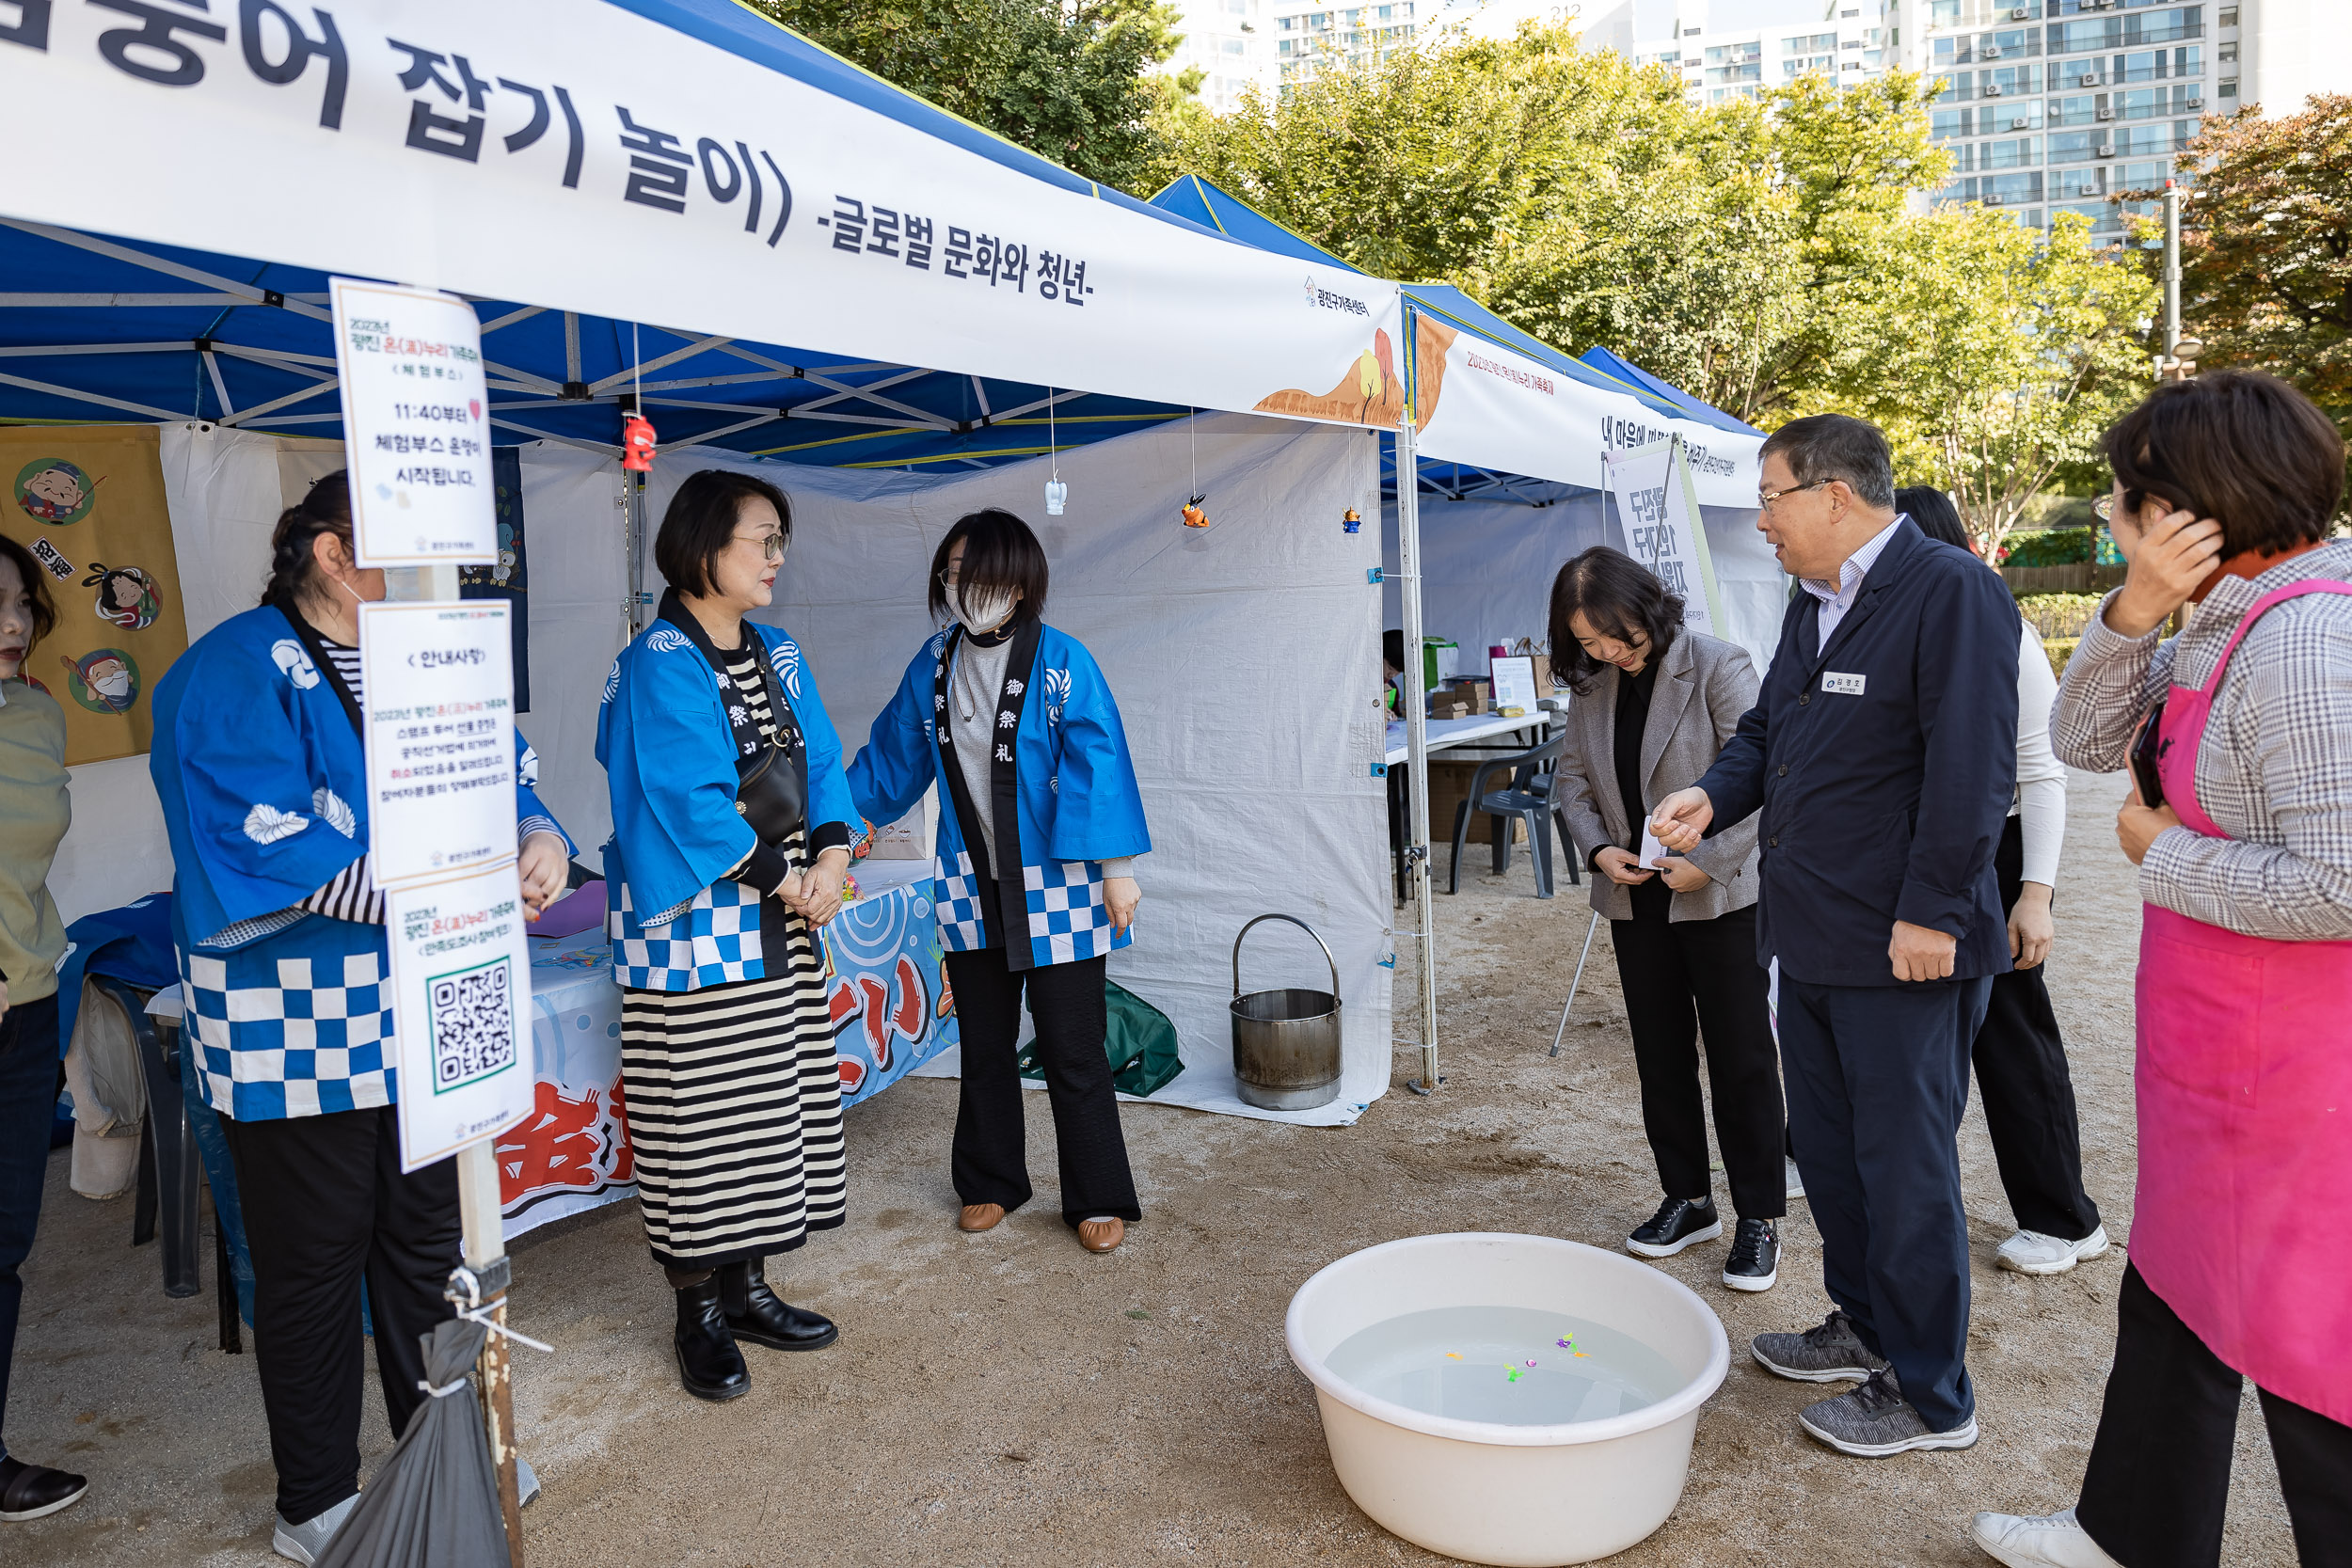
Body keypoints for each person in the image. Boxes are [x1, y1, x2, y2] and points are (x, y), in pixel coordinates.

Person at [150, 473, 571, 1564]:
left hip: (421, 1006)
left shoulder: (425, 656)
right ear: (337, 553)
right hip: (293, 1020)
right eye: (420, 550)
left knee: (428, 1239)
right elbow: (265, 840)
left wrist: (538, 838)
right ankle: (316, 1498)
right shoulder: (233, 666)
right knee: (314, 1260)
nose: (449, 578)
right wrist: (461, 888)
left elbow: (506, 774)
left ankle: (452, 1446)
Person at [1970, 372, 2352, 1568]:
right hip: (2219, 1043)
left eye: (2129, 497)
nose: (2115, 513)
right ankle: (2127, 1530)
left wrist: (2160, 850)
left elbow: (2340, 883)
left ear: (2195, 502)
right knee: (2176, 1288)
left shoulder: (2303, 634)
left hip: (2297, 1069)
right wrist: (2135, 606)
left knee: (2307, 1343)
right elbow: (2085, 741)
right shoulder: (2226, 610)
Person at [1650, 414, 2019, 1458]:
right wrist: (1709, 800)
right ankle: (1863, 1323)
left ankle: (1931, 1393)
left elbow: (1970, 766)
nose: (1759, 519)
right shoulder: (1813, 603)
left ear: (1835, 495)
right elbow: (1769, 729)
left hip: (1902, 945)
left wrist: (1932, 911)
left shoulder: (1948, 589)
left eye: (1769, 496)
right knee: (1836, 1156)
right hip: (1809, 937)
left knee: (1904, 1169)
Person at [597, 468, 859, 1403]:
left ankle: (748, 1286)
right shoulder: (657, 661)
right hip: (693, 933)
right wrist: (789, 877)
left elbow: (823, 761)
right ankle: (696, 1307)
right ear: (706, 545)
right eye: (763, 538)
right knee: (698, 1120)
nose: (777, 556)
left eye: (781, 539)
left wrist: (829, 858)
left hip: (780, 922)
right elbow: (682, 798)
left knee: (768, 1105)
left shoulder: (779, 650)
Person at [848, 509, 1150, 1254]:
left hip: (1060, 887)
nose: (963, 586)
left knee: (1072, 1048)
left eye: (977, 572)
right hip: (968, 883)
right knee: (984, 1042)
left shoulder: (1062, 662)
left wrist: (1118, 873)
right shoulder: (935, 663)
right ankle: (990, 1181)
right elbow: (890, 758)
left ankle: (1096, 1195)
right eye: (952, 572)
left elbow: (1099, 765)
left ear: (1017, 581)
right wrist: (836, 823)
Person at [1546, 547, 1785, 1291]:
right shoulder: (1593, 684)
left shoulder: (1717, 663)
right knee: (1659, 1051)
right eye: (1589, 643)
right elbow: (1573, 779)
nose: (1609, 652)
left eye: (1618, 636)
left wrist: (1708, 859)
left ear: (1647, 608)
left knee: (1742, 1057)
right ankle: (1687, 1195)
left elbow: (1767, 777)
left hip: (1716, 895)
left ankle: (1758, 1216)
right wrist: (1596, 853)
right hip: (1634, 895)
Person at [1897, 486, 2107, 1275]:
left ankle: (2064, 1215)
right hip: (1919, 849)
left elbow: (2041, 771)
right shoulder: (1884, 623)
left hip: (1998, 846)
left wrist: (2035, 894)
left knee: (2011, 1033)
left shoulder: (1997, 624)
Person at [0, 534, 83, 1525]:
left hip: (24, 1002)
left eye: (21, 602)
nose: (14, 623)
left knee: (5, 1245)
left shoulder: (36, 716)